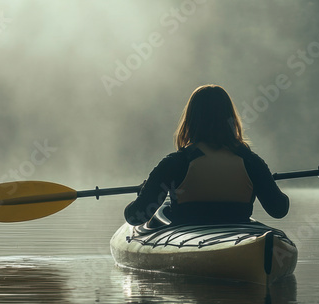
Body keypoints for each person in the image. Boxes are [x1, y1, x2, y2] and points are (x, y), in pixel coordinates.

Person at [124, 84, 290, 226]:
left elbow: (136, 216)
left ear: (191, 119)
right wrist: (266, 182)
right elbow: (279, 209)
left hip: (187, 237)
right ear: (231, 118)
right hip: (237, 235)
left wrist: (143, 192)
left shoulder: (176, 163)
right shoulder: (251, 162)